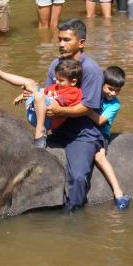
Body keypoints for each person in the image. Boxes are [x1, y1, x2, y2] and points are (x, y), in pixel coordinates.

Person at [43, 19, 104, 210]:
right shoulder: (55, 64)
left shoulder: (91, 70)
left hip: (83, 133)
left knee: (78, 176)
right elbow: (48, 94)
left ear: (81, 43)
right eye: (59, 39)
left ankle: (74, 215)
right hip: (58, 128)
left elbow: (87, 107)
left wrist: (59, 111)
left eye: (67, 40)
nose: (61, 44)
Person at [0, 54, 82, 148]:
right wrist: (25, 94)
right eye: (56, 79)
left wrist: (35, 94)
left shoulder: (73, 92)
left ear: (73, 82)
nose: (57, 82)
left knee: (38, 94)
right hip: (36, 112)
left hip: (47, 120)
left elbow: (54, 106)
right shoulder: (57, 86)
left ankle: (40, 132)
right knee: (31, 83)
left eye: (61, 80)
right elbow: (44, 91)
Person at [88, 66, 130, 209]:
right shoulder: (94, 92)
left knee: (99, 157)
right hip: (85, 125)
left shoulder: (115, 104)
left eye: (117, 90)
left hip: (100, 131)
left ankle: (118, 192)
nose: (113, 93)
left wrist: (83, 109)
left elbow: (100, 121)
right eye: (110, 88)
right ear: (102, 84)